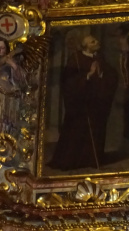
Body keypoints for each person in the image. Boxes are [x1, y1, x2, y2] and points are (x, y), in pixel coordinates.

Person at [49, 35, 118, 170]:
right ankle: (73, 161)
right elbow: (69, 82)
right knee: (77, 132)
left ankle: (91, 160)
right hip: (80, 105)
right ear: (86, 47)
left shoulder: (99, 58)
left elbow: (111, 74)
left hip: (96, 103)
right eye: (93, 42)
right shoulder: (75, 59)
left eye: (95, 40)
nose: (97, 42)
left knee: (96, 130)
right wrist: (88, 75)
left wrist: (102, 74)